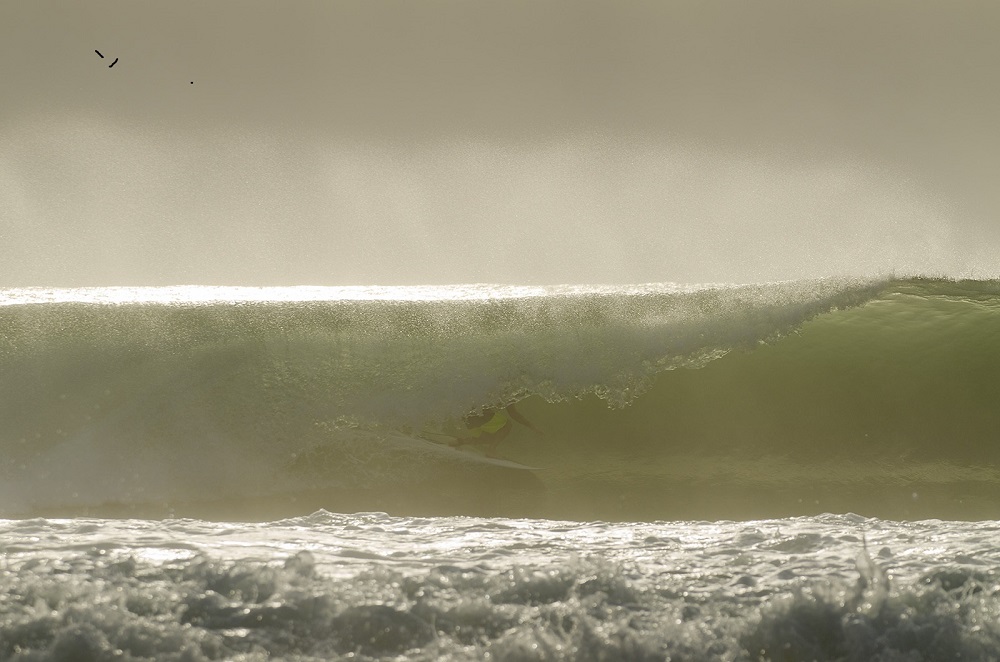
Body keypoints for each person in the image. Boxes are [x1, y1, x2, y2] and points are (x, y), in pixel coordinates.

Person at [450, 403, 542, 458]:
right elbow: (514, 414)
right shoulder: (508, 390)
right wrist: (532, 426)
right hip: (480, 417)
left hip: (467, 419)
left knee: (492, 439)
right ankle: (491, 450)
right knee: (507, 424)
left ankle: (461, 441)